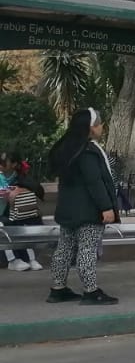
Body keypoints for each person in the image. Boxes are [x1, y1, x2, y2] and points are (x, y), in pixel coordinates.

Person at [46, 108, 119, 305]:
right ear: (91, 128)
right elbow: (94, 181)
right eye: (100, 123)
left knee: (64, 248)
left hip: (67, 210)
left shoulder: (67, 148)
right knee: (87, 250)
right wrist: (106, 207)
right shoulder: (87, 151)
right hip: (88, 211)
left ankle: (58, 288)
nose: (102, 126)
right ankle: (90, 291)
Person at [1, 151, 45, 271]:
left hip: (18, 213)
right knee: (5, 225)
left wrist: (21, 189)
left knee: (22, 222)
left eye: (4, 162)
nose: (1, 164)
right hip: (4, 215)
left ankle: (30, 259)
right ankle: (13, 260)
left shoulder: (20, 177)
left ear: (14, 164)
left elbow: (38, 190)